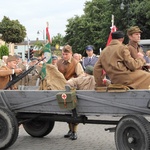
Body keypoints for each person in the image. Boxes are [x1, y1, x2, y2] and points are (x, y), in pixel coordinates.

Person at [57, 44, 84, 140]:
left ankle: (74, 132)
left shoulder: (76, 63)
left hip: (73, 90)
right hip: (62, 89)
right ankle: (70, 130)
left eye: (66, 54)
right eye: (63, 54)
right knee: (66, 111)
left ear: (71, 54)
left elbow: (81, 76)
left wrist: (73, 81)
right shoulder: (59, 62)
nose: (64, 56)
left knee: (74, 111)